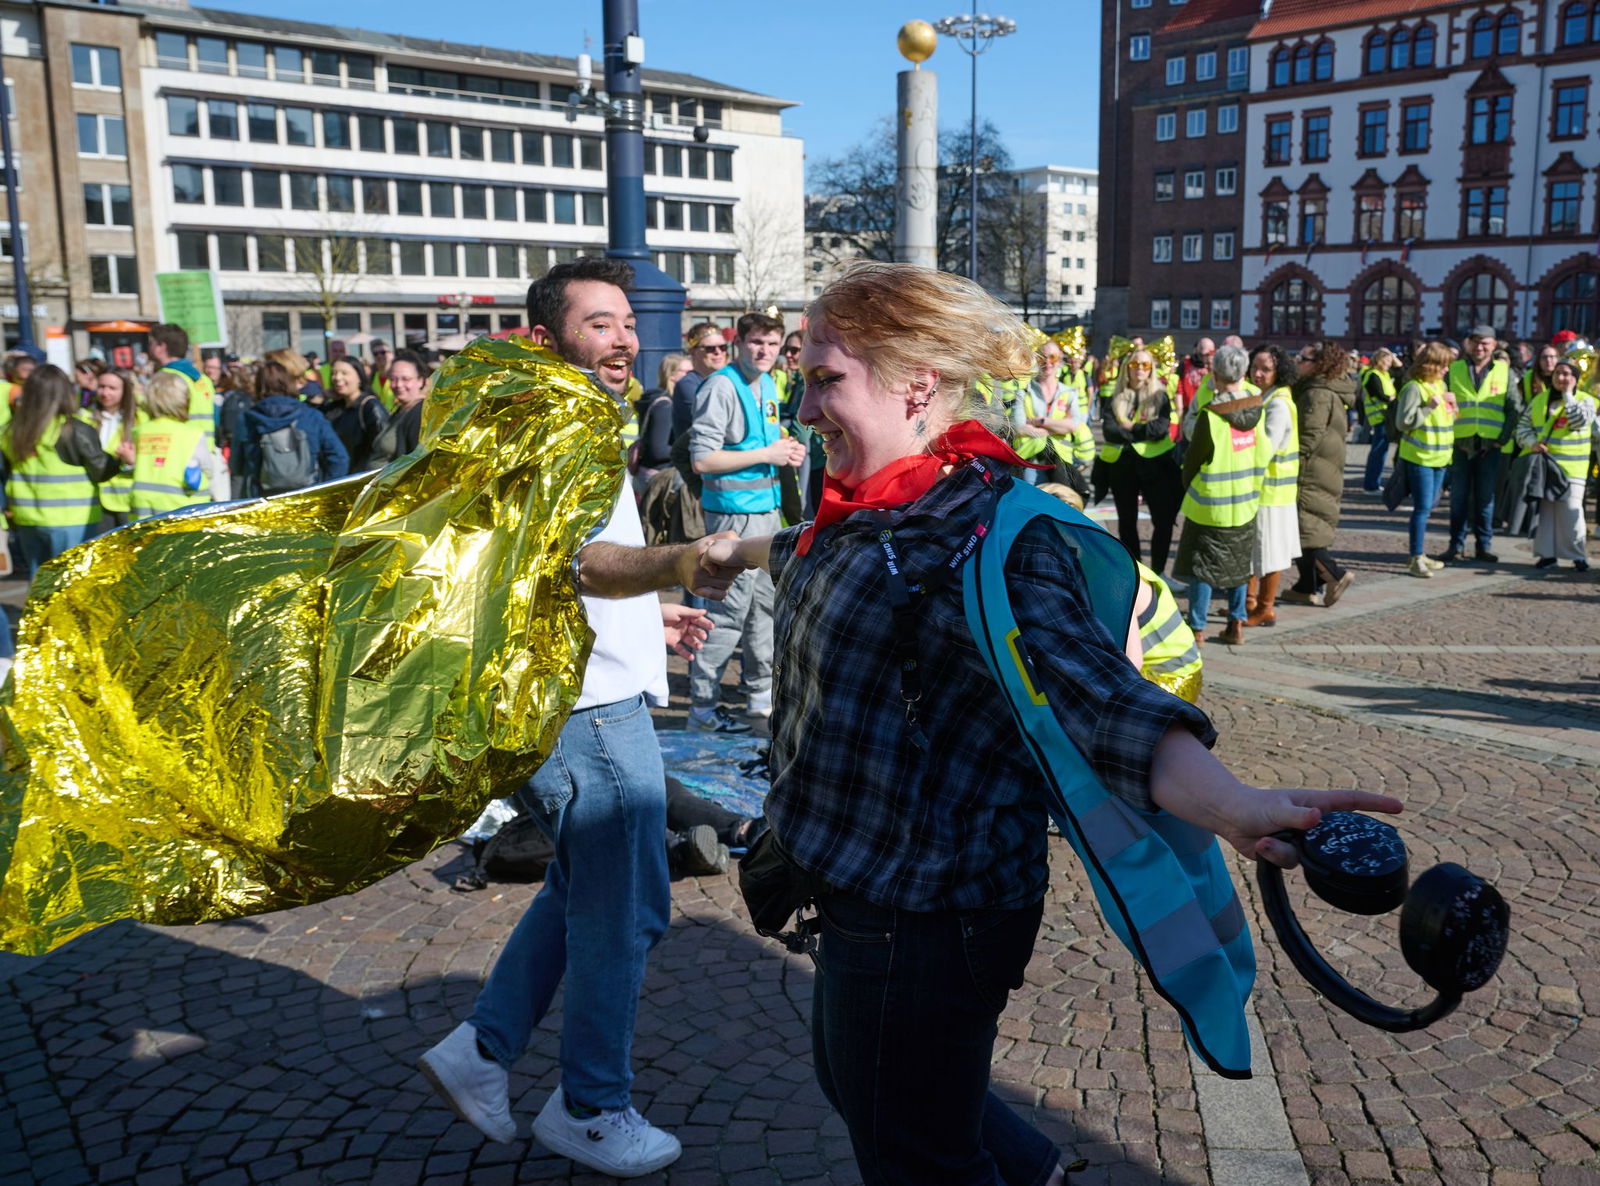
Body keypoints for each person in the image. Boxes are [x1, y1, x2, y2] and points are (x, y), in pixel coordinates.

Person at [703, 261, 1400, 1186]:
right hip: (855, 882)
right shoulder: (858, 509)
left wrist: (1233, 803)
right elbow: (807, 556)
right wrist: (699, 557)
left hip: (927, 911)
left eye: (826, 380)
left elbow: (1108, 705)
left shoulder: (991, 537)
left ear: (917, 384)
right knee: (869, 1088)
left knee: (912, 1149)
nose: (802, 409)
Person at [417, 257, 745, 1178]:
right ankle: (591, 1106)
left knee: (580, 891)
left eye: (627, 322)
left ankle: (481, 1049)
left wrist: (651, 612)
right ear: (547, 337)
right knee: (628, 906)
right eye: (599, 323)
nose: (625, 338)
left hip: (591, 688)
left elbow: (564, 570)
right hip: (586, 707)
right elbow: (584, 563)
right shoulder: (554, 424)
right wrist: (686, 561)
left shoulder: (571, 419)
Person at [686, 311, 807, 733]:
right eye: (757, 343)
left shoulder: (769, 384)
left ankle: (758, 702)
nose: (766, 352)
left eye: (772, 345)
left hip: (766, 515)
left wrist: (786, 450)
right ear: (740, 342)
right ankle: (702, 709)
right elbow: (702, 459)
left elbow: (766, 443)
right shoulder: (721, 386)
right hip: (732, 520)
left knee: (765, 611)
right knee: (726, 614)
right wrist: (767, 455)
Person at [1174, 345, 1269, 647]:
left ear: (1214, 375)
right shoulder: (1258, 406)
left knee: (1202, 567)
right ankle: (1236, 623)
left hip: (1210, 505)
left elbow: (1193, 461)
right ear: (1244, 373)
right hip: (1245, 501)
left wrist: (1187, 486)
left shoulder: (1211, 415)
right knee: (1240, 565)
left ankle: (1197, 627)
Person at [0, 364, 123, 578]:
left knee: (39, 583)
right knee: (72, 584)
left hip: (27, 518)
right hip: (72, 520)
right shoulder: (73, 429)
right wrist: (121, 459)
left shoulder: (12, 430)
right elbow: (101, 470)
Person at [1282, 342, 1357, 607]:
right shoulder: (1322, 389)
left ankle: (1335, 573)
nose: (1297, 361)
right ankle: (1306, 586)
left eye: (1302, 358)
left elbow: (1308, 436)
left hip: (1311, 470)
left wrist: (1287, 461)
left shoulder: (1318, 394)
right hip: (1322, 467)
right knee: (1305, 527)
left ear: (1319, 365)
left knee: (1305, 528)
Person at [1100, 348, 1182, 573]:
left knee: (1163, 521)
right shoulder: (1115, 396)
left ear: (1152, 369)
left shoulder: (1160, 395)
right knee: (1127, 523)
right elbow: (1110, 431)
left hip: (1156, 466)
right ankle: (1136, 572)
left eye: (1145, 365)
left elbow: (1160, 429)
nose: (1140, 370)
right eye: (1135, 365)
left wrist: (1129, 427)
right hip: (1123, 466)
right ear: (1127, 367)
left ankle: (1159, 572)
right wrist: (1141, 430)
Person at [1440, 326, 1512, 563]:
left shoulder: (1505, 372)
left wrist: (1501, 439)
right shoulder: (1455, 369)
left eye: (1486, 343)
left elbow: (1514, 409)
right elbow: (1444, 403)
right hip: (1460, 444)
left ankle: (1483, 546)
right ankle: (1456, 545)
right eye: (1476, 342)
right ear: (1469, 344)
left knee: (1484, 499)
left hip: (1490, 446)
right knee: (1458, 498)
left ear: (1494, 345)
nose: (1480, 347)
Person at [1518, 358, 1594, 572]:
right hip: (1544, 465)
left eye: (1567, 374)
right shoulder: (1540, 399)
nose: (1562, 378)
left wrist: (1568, 395)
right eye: (1558, 373)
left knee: (1571, 510)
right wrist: (1531, 443)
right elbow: (1523, 427)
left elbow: (1578, 421)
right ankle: (1547, 555)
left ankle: (1578, 555)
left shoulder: (1586, 400)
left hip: (1573, 467)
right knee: (1547, 512)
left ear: (1575, 378)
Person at [233, 359, 350, 498]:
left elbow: (237, 465)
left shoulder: (247, 419)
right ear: (289, 383)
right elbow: (339, 458)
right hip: (307, 498)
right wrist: (323, 491)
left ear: (259, 385)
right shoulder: (311, 415)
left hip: (263, 501)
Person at [1246, 345, 1301, 627]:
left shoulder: (1278, 403)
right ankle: (1250, 602)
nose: (1258, 373)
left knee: (1269, 551)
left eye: (1265, 369)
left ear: (1278, 371)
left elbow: (1266, 447)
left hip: (1272, 490)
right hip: (1269, 489)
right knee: (1257, 549)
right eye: (1255, 367)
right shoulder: (1266, 397)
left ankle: (1265, 607)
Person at [1392, 341, 1457, 578]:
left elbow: (1447, 420)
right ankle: (1415, 556)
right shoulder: (1413, 388)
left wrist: (1453, 406)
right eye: (1443, 365)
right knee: (1421, 509)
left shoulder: (1440, 385)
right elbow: (1403, 423)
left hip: (1440, 458)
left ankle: (1420, 555)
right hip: (1420, 458)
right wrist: (1429, 407)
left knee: (1428, 508)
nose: (1447, 370)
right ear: (1431, 365)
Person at [122, 372, 218, 520]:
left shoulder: (139, 432)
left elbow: (132, 466)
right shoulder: (192, 434)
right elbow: (208, 470)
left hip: (142, 511)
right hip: (183, 510)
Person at [84, 367, 141, 534]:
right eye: (101, 386)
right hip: (94, 502)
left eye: (112, 388)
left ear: (125, 391)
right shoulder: (84, 418)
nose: (105, 393)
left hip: (127, 501)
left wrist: (132, 462)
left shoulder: (140, 420)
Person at [146, 323, 218, 450]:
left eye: (151, 343)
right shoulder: (203, 379)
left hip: (179, 453)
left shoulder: (165, 379)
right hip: (205, 453)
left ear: (160, 347)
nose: (148, 347)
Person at [320, 354, 390, 473]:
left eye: (344, 373)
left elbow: (384, 451)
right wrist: (322, 398)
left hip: (361, 479)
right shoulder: (333, 408)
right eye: (334, 373)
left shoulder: (370, 407)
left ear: (359, 377)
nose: (337, 377)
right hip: (339, 479)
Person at [632, 353, 685, 495]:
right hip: (658, 476)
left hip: (649, 474)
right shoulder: (665, 405)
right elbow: (658, 450)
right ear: (672, 375)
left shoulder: (659, 399)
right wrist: (689, 450)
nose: (691, 376)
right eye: (687, 372)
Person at [374, 350, 432, 463]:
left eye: (406, 379)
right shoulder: (401, 410)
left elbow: (418, 460)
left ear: (420, 381)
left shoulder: (421, 413)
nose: (398, 385)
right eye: (393, 379)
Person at [1359, 348, 1399, 493]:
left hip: (1385, 416)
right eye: (1388, 360)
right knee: (1378, 452)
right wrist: (1391, 399)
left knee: (1381, 452)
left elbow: (1401, 372)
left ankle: (1373, 483)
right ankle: (1371, 484)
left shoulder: (1384, 374)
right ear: (1380, 360)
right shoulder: (1372, 375)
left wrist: (1395, 360)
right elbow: (1379, 394)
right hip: (1380, 416)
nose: (1390, 363)